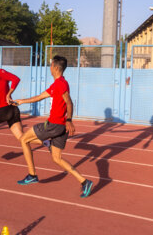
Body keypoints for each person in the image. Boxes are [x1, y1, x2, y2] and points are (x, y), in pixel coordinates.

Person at [14, 55, 93, 198]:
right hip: (59, 127)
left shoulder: (61, 84)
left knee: (24, 139)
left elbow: (69, 102)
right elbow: (40, 96)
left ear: (56, 68)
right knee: (57, 158)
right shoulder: (58, 84)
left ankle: (32, 174)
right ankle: (84, 181)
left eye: (50, 65)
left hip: (55, 124)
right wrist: (22, 101)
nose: (49, 68)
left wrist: (69, 119)